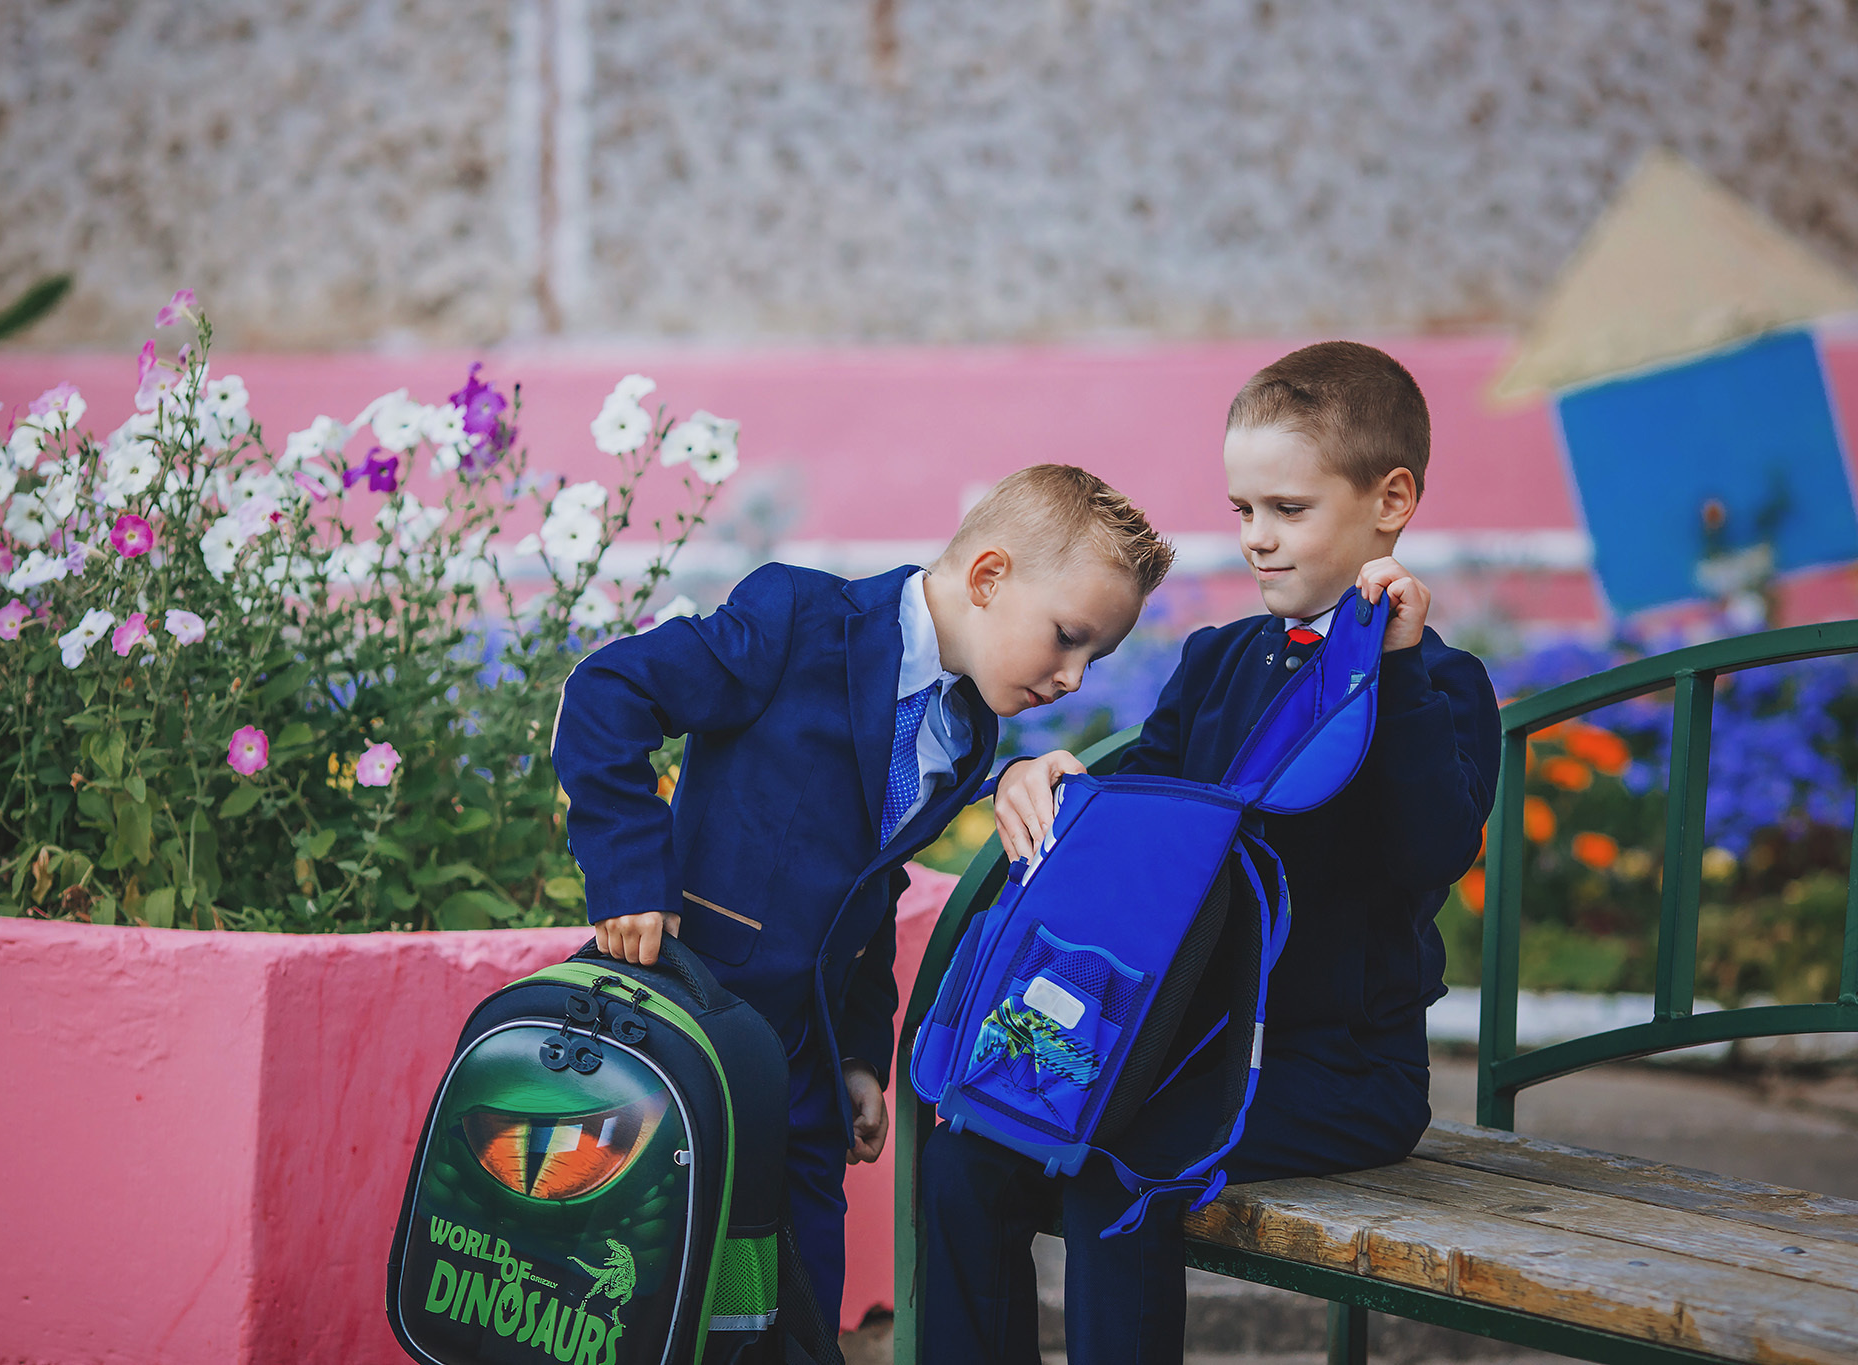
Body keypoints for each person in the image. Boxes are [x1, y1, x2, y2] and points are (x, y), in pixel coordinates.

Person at [922, 342, 1501, 1364]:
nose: (1256, 540)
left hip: (1335, 1077)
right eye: (1241, 511)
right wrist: (1043, 778)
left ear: (1389, 500)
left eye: (1286, 510)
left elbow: (1428, 853)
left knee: (1119, 1158)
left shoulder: (1438, 690)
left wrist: (1396, 672)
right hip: (1176, 1046)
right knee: (969, 1141)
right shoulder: (1218, 659)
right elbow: (1143, 803)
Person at [552, 464, 1174, 1330]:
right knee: (649, 1292)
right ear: (989, 577)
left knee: (783, 1298)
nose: (1074, 677)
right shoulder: (798, 620)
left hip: (801, 1074)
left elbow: (869, 891)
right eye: (1067, 636)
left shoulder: (967, 731)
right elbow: (605, 692)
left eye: (1095, 656)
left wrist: (856, 1053)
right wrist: (628, 876)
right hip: (687, 1029)